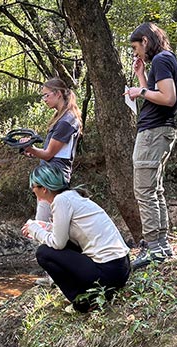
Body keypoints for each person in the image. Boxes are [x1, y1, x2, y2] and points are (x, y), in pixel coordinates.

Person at [21, 164, 131, 313]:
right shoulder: (72, 196)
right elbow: (69, 231)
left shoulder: (61, 201)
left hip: (108, 272)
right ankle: (91, 294)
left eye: (33, 186)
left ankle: (83, 302)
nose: (33, 190)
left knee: (44, 253)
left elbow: (58, 243)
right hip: (121, 268)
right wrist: (44, 227)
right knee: (62, 246)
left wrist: (34, 230)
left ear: (44, 188)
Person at [124, 22, 177, 269]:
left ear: (146, 41)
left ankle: (154, 249)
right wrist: (141, 76)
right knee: (154, 189)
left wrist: (139, 92)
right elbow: (158, 92)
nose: (136, 53)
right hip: (161, 131)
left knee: (144, 191)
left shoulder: (161, 60)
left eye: (137, 47)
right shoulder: (165, 60)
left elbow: (168, 98)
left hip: (153, 133)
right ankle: (162, 245)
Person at [22, 77, 83, 222]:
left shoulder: (66, 121)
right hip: (51, 176)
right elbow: (52, 153)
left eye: (46, 95)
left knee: (43, 224)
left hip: (53, 178)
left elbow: (49, 154)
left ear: (58, 94)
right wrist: (33, 151)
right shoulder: (63, 117)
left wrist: (30, 148)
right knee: (52, 224)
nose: (44, 99)